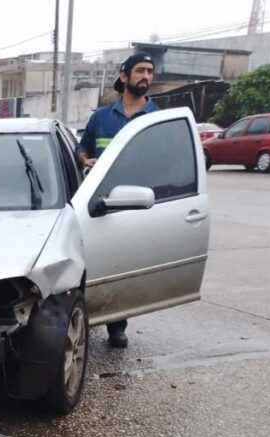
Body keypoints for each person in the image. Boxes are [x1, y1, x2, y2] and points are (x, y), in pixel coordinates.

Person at [76, 53, 159, 348]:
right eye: (140, 71)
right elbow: (82, 148)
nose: (146, 76)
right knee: (97, 261)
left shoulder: (156, 118)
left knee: (124, 264)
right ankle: (89, 312)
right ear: (124, 76)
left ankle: (117, 323)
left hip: (136, 202)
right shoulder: (101, 117)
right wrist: (86, 161)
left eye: (150, 71)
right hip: (100, 202)